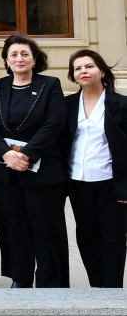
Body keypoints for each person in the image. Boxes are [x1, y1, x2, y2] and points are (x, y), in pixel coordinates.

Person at [0, 34, 68, 289]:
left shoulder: (49, 85)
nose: (19, 59)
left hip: (42, 172)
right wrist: (6, 153)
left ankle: (50, 281)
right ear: (7, 61)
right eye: (13, 55)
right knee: (13, 226)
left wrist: (28, 154)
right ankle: (20, 277)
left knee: (46, 227)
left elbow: (54, 123)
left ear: (34, 59)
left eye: (24, 54)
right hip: (6, 171)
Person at [63, 49, 127, 288]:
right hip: (78, 181)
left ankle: (112, 290)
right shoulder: (67, 104)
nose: (83, 71)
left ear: (101, 71)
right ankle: (97, 288)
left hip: (110, 181)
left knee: (113, 238)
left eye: (89, 66)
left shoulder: (120, 104)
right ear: (73, 75)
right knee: (86, 237)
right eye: (78, 68)